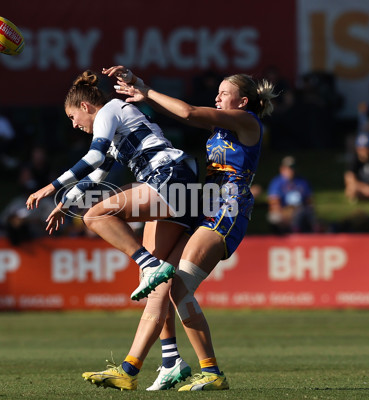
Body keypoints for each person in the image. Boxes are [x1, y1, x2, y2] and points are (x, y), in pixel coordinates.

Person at [78, 66, 276, 391]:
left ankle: (211, 372)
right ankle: (131, 369)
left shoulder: (247, 122)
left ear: (242, 101)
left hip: (227, 207)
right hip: (205, 203)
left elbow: (188, 112)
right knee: (162, 287)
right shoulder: (225, 126)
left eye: (223, 93)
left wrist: (145, 90)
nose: (217, 97)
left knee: (179, 289)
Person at [26, 70, 199, 307]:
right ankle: (169, 344)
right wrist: (64, 205)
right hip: (177, 181)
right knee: (158, 290)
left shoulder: (108, 110)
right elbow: (95, 178)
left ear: (85, 106)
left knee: (94, 215)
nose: (74, 125)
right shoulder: (114, 126)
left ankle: (148, 264)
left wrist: (51, 186)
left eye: (72, 116)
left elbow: (94, 157)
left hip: (169, 176)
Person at [267, 155, 316, 234]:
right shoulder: (276, 182)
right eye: (289, 168)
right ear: (282, 169)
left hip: (300, 211)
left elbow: (309, 202)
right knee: (274, 217)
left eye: (293, 167)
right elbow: (274, 203)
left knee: (308, 217)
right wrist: (285, 213)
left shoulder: (303, 182)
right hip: (283, 212)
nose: (291, 170)